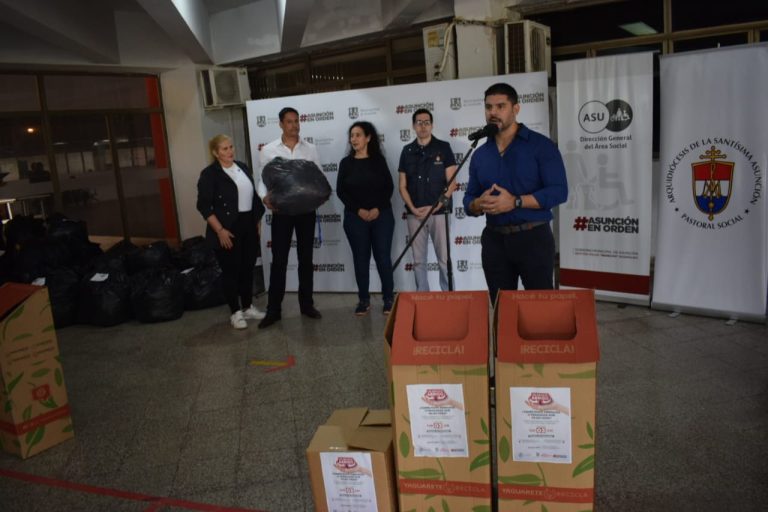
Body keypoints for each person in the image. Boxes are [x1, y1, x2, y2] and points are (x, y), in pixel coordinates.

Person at [463, 83, 567, 302]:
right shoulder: (480, 154)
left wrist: (515, 202)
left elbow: (559, 192)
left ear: (516, 109)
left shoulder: (541, 146)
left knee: (540, 307)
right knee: (501, 307)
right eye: (488, 107)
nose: (493, 112)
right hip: (494, 241)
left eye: (500, 106)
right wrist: (477, 204)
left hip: (533, 238)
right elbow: (469, 198)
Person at [257, 107, 323, 328]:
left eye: (297, 121)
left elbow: (318, 177)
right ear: (281, 124)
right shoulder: (268, 150)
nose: (294, 125)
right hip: (282, 213)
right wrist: (264, 197)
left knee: (306, 259)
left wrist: (318, 196)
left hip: (306, 212)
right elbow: (262, 180)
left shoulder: (310, 149)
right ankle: (273, 310)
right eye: (289, 122)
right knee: (279, 261)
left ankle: (307, 305)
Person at [196, 134, 266, 329]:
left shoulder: (242, 167)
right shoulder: (209, 174)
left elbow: (253, 198)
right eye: (224, 149)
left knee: (247, 268)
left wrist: (257, 221)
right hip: (226, 228)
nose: (230, 151)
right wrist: (220, 230)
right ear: (215, 152)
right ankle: (235, 312)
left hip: (248, 225)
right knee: (231, 271)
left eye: (231, 147)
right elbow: (204, 206)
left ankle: (247, 306)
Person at [336, 121, 395, 315]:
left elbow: (389, 187)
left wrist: (377, 208)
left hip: (382, 216)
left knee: (383, 258)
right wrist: (358, 210)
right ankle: (363, 300)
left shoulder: (379, 161)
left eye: (358, 135)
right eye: (352, 135)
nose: (354, 139)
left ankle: (388, 299)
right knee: (360, 259)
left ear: (368, 138)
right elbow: (341, 191)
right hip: (355, 218)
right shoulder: (346, 163)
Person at [398, 108, 457, 291]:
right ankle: (423, 299)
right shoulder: (407, 151)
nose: (423, 126)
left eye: (426, 122)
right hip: (414, 214)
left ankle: (450, 297)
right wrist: (413, 209)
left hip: (438, 213)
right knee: (418, 261)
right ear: (413, 126)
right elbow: (402, 186)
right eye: (419, 122)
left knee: (444, 259)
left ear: (432, 125)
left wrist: (435, 207)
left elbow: (452, 184)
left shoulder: (443, 147)